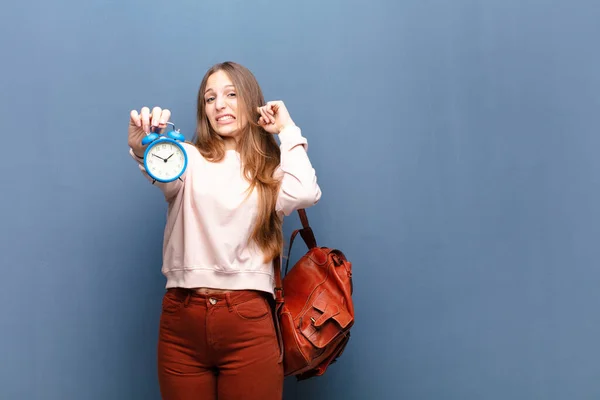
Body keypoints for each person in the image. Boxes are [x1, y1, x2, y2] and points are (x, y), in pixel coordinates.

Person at [127, 61, 322, 400]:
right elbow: (157, 164)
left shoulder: (271, 171)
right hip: (181, 321)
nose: (219, 105)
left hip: (248, 322)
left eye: (231, 94)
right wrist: (141, 145)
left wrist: (287, 129)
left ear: (251, 101)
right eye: (209, 98)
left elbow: (305, 192)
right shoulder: (184, 158)